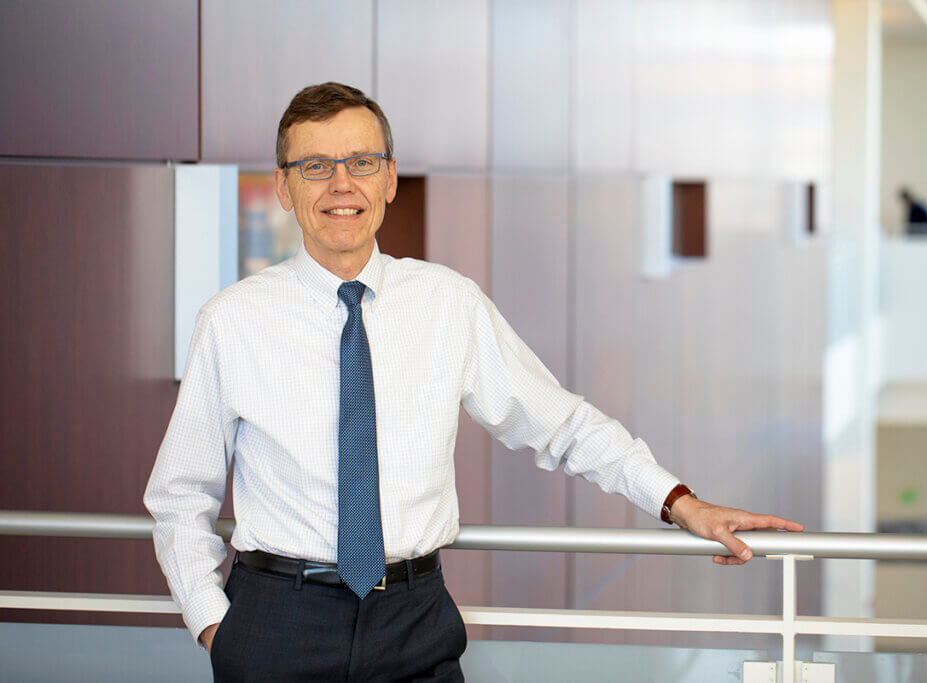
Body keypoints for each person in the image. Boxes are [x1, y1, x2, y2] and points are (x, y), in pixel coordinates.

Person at [144, 82, 803, 682]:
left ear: (390, 178)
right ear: (285, 188)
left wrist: (680, 500)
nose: (341, 184)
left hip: (414, 620)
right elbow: (181, 492)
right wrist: (215, 626)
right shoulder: (232, 320)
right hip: (275, 623)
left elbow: (561, 424)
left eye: (361, 162)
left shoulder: (448, 303)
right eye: (315, 166)